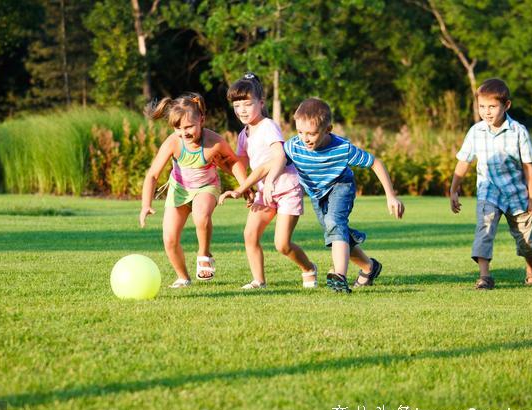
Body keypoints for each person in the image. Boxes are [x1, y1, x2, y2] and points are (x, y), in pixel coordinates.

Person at [220, 98, 404, 293]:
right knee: (336, 232)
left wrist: (390, 196)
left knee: (334, 223)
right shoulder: (295, 145)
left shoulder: (343, 148)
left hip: (340, 186)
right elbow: (269, 165)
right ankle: (369, 267)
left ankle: (339, 277)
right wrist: (243, 188)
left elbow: (376, 163)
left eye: (311, 133)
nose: (305, 138)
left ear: (328, 129)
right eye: (300, 132)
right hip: (317, 194)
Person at [140, 93, 248, 288]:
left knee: (201, 216)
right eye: (178, 128)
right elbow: (152, 175)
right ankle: (183, 277)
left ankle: (204, 254)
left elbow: (233, 163)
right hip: (179, 190)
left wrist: (245, 186)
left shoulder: (214, 141)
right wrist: (145, 205)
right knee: (169, 239)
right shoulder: (174, 142)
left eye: (189, 126)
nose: (184, 133)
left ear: (202, 120)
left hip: (207, 187)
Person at [222, 72, 316, 290]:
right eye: (237, 106)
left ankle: (309, 268)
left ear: (261, 103)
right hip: (264, 191)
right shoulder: (243, 134)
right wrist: (242, 187)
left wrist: (270, 180)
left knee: (282, 244)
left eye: (247, 104)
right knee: (250, 234)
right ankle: (259, 281)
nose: (242, 110)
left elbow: (280, 156)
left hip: (285, 188)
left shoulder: (268, 126)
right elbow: (241, 164)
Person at [450, 78, 532, 290]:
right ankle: (485, 277)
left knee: (526, 242)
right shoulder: (476, 131)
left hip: (516, 194)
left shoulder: (518, 131)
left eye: (492, 106)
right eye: (482, 106)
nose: (487, 112)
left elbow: (529, 167)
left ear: (506, 105)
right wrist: (454, 190)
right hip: (488, 192)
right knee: (484, 230)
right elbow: (464, 162)